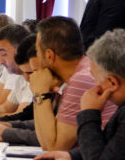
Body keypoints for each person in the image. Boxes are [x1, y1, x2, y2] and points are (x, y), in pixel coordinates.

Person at [32, 30, 125, 160]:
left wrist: (89, 113)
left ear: (112, 83)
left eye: (95, 78)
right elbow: (112, 148)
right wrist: (70, 156)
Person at [29, 16, 116, 151]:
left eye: (37, 51)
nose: (37, 57)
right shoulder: (85, 69)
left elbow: (53, 147)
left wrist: (39, 92)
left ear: (49, 55)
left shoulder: (81, 80)